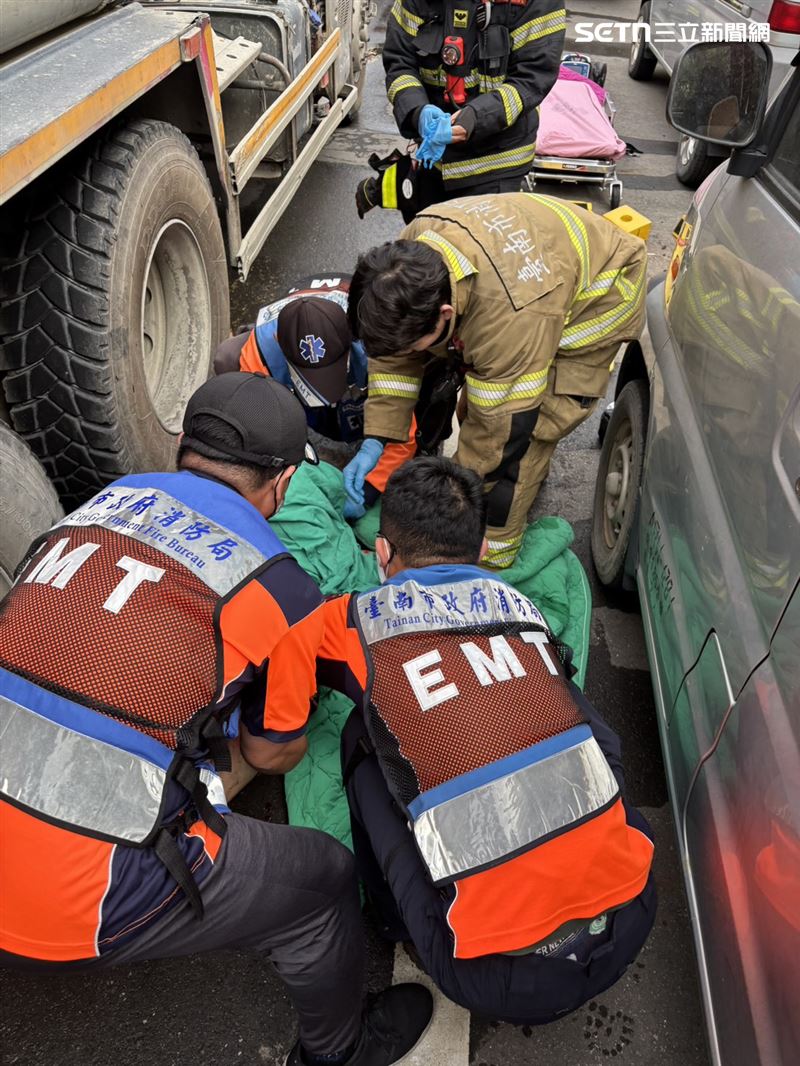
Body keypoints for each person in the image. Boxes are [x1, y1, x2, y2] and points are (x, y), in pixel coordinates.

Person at [0, 372, 432, 1066]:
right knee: (321, 881)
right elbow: (272, 754)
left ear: (179, 448)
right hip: (71, 904)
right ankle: (338, 1049)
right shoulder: (279, 584)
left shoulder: (99, 506)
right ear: (284, 483)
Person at [317, 456, 656, 1022]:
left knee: (360, 735)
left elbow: (280, 694)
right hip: (634, 914)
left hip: (498, 980)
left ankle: (392, 918)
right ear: (479, 555)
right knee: (569, 703)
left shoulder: (352, 618)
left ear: (382, 554)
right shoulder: (523, 610)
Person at [344, 193, 647, 567]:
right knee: (485, 400)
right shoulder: (412, 248)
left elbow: (500, 432)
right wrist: (377, 438)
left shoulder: (510, 320)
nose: (403, 354)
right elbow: (394, 359)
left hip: (600, 296)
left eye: (412, 345)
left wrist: (448, 508)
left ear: (445, 313)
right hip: (546, 264)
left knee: (525, 439)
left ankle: (490, 560)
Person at [214, 274, 416, 517]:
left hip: (355, 329)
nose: (328, 398)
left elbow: (400, 425)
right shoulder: (262, 353)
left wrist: (371, 487)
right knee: (227, 357)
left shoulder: (377, 343)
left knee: (410, 392)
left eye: (332, 374)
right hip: (293, 328)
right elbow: (257, 432)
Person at [358, 0, 566, 218]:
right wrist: (417, 112)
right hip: (432, 159)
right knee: (427, 246)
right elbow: (400, 61)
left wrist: (478, 117)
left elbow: (532, 77)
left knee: (477, 249)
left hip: (495, 166)